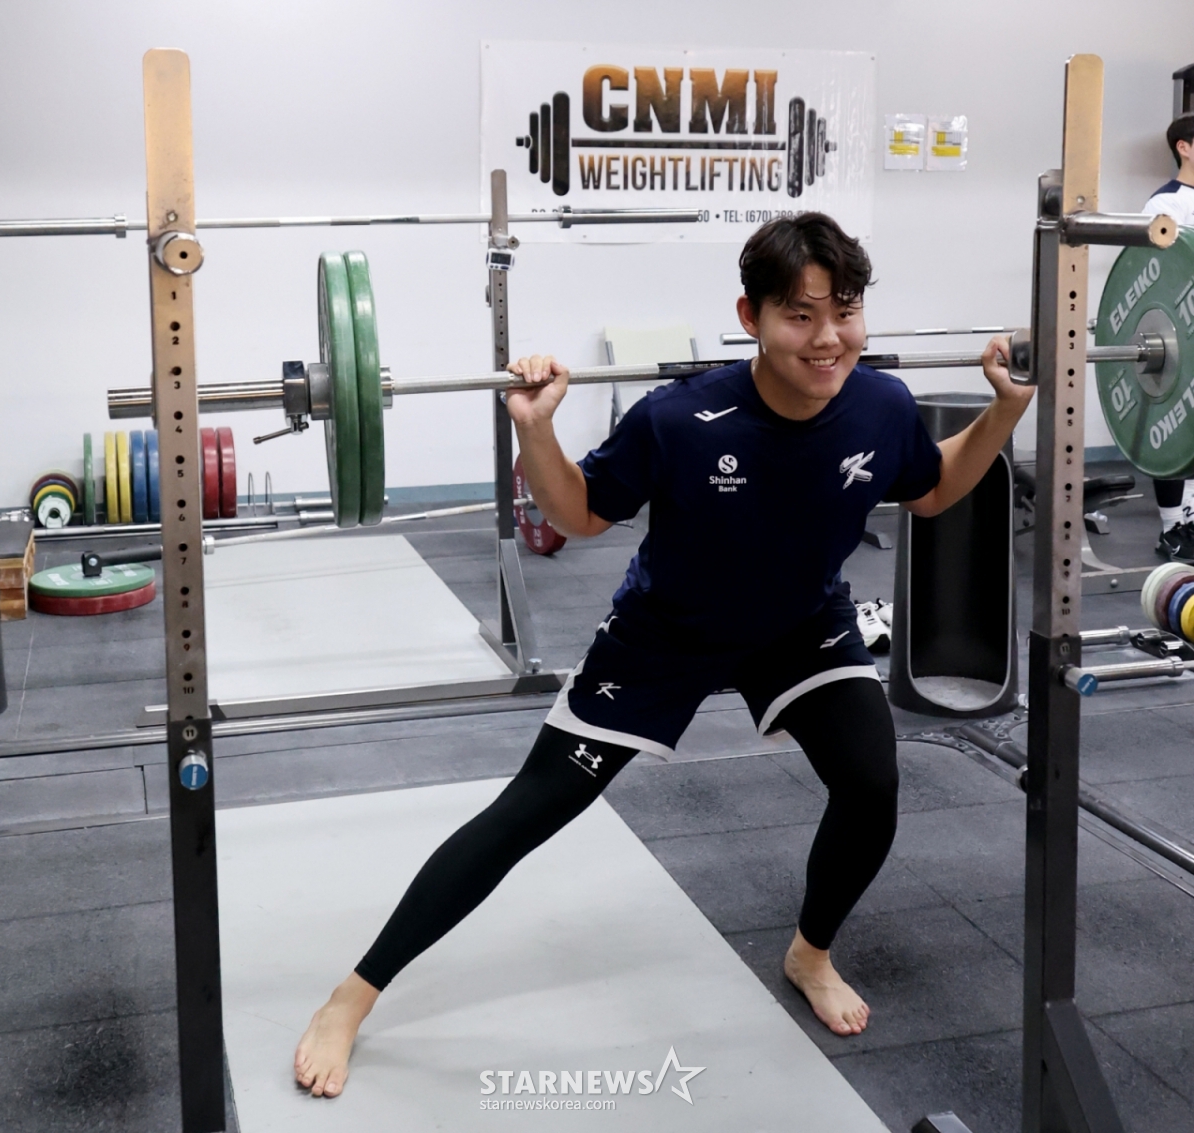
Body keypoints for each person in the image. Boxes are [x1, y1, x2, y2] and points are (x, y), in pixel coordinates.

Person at [292, 213, 1034, 1099]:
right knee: (529, 811)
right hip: (667, 633)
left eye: (846, 310)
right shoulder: (679, 419)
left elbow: (936, 486)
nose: (829, 338)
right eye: (800, 315)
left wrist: (1007, 408)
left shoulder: (881, 403)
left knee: (871, 782)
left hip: (802, 623)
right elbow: (580, 515)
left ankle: (810, 950)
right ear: (750, 315)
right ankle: (353, 993)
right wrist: (535, 429)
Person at [1142, 113, 1194, 562]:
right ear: (1184, 146)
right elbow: (1151, 269)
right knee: (1175, 429)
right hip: (1177, 330)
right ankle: (1172, 527)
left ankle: (1190, 520)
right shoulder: (1168, 203)